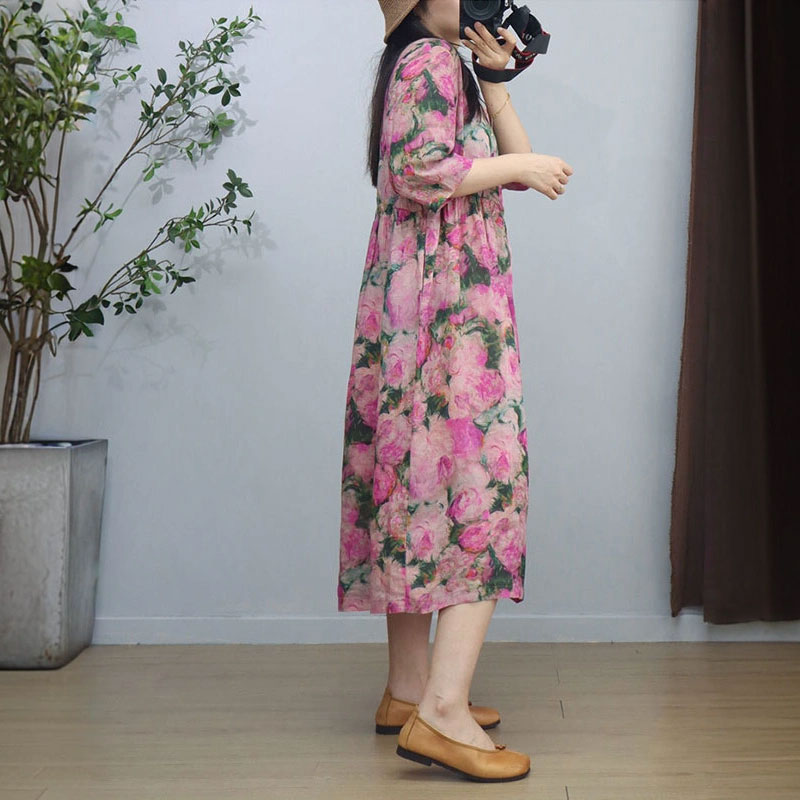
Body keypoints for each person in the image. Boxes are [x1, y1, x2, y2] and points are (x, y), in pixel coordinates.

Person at [338, 0, 573, 782]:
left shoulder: (426, 64)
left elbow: (518, 160)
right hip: (448, 316)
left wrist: (495, 79)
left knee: (414, 491)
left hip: (417, 311)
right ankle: (442, 712)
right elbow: (426, 171)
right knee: (484, 488)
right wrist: (521, 169)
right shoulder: (429, 62)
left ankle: (409, 692)